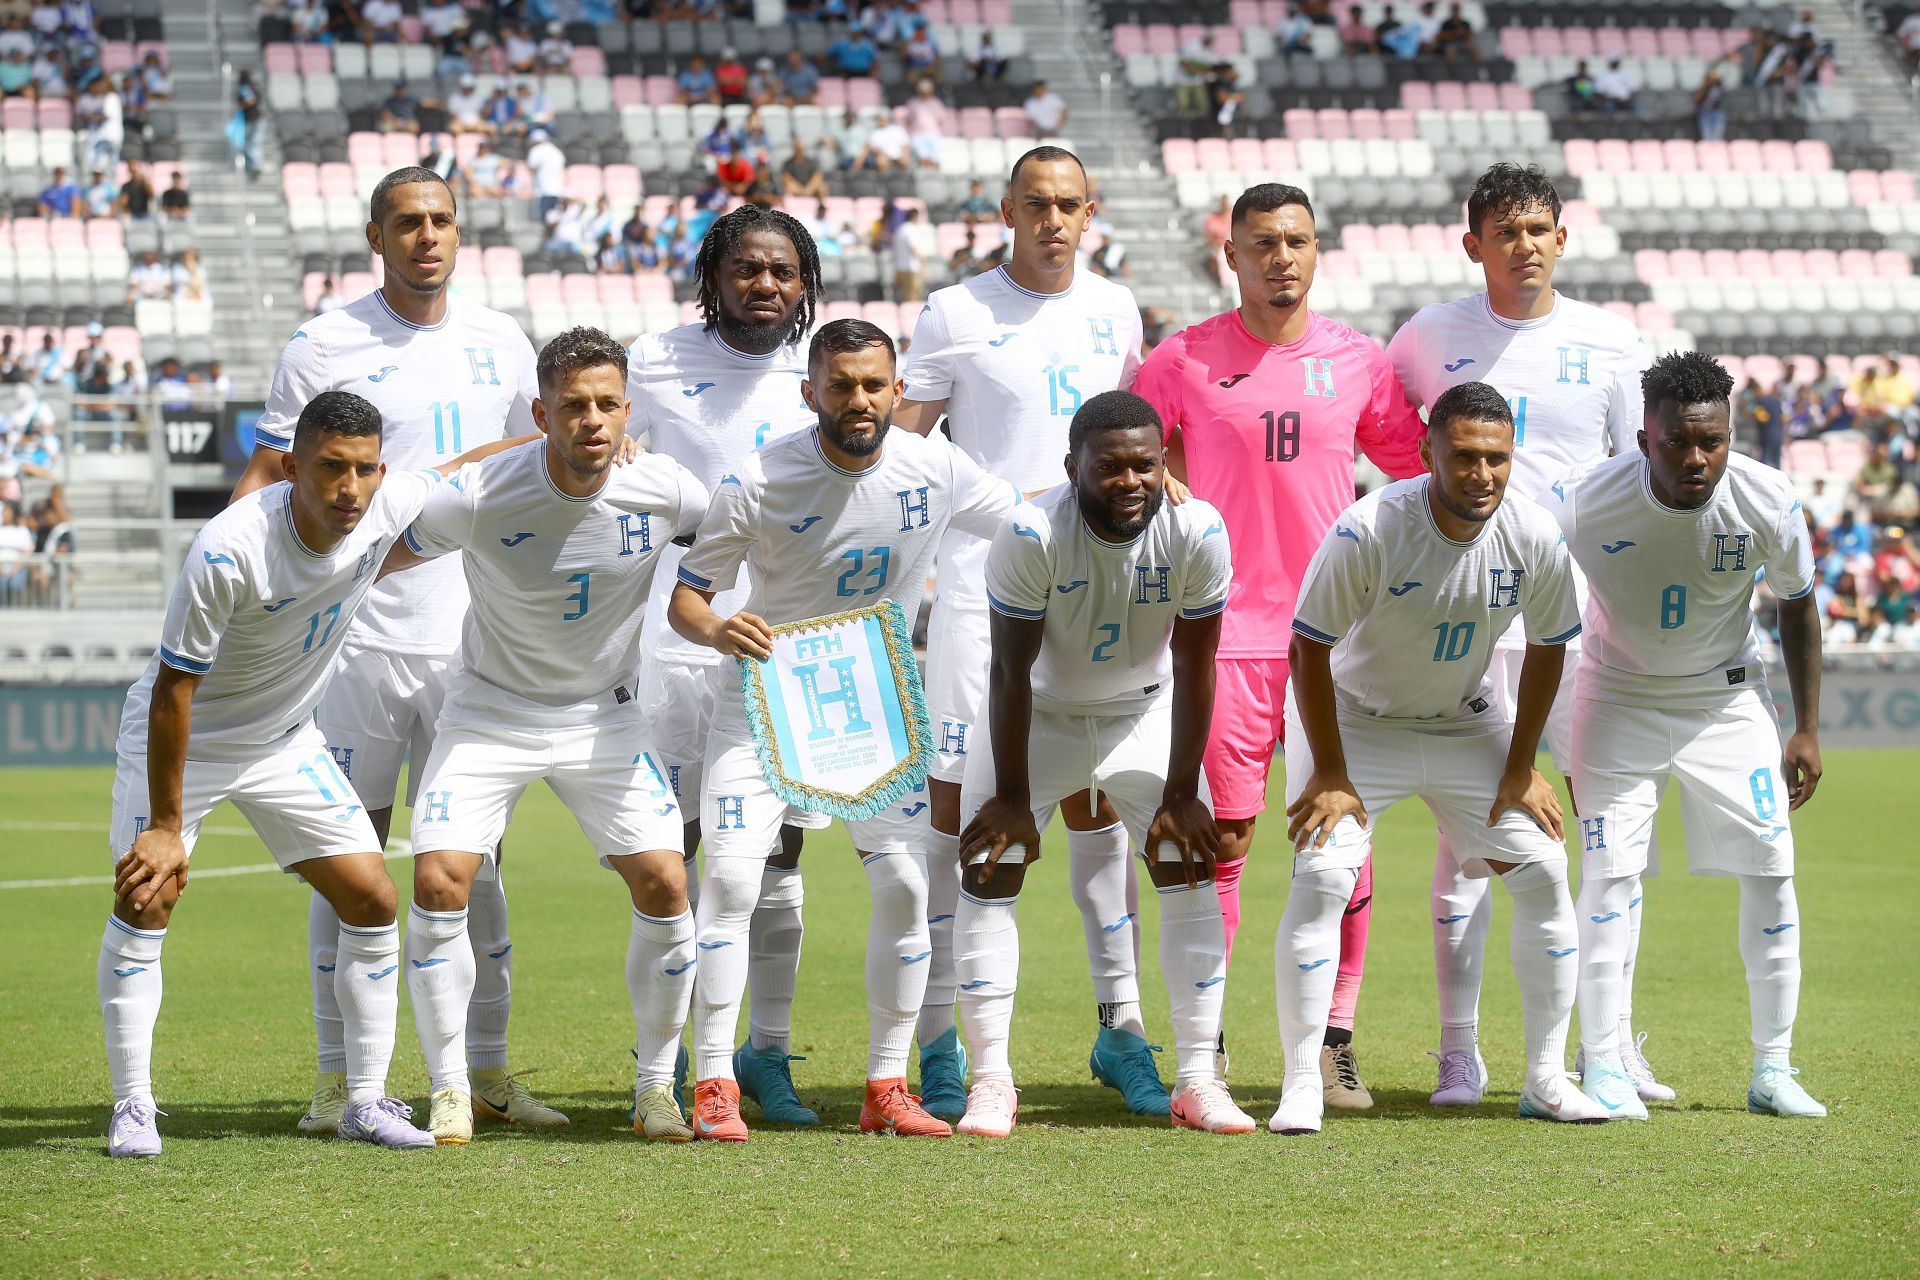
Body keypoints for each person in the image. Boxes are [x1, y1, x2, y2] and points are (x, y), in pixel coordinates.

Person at [97, 390, 523, 1158]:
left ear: (380, 469)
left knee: (371, 898)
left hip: (285, 742)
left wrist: (556, 440)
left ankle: (363, 1101)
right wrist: (164, 827)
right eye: (330, 468)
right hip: (189, 740)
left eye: (363, 470)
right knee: (147, 896)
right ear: (291, 467)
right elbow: (172, 690)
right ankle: (133, 1106)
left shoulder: (386, 501)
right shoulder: (230, 549)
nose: (348, 488)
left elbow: (466, 469)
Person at [228, 166, 559, 1139]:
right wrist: (231, 589)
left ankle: (486, 1071)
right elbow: (268, 473)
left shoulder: (502, 341)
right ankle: (339, 1082)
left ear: (463, 233)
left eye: (442, 220)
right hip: (353, 644)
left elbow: (538, 460)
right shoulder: (325, 343)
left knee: (477, 867)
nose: (427, 236)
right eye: (408, 222)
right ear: (375, 234)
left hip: (472, 640)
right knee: (350, 862)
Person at [667, 318, 1018, 1142]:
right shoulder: (756, 479)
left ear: (899, 391)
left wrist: (1132, 488)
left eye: (873, 385)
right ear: (809, 393)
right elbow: (689, 597)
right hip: (762, 701)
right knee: (730, 882)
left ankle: (885, 1085)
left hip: (876, 706)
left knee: (903, 886)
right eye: (840, 385)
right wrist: (719, 630)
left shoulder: (935, 464)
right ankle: (715, 1079)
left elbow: (1030, 521)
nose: (857, 401)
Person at [1132, 183, 1426, 1106]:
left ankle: (1335, 1041)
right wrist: (1168, 485)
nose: (1281, 258)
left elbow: (1420, 470)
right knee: (1221, 837)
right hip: (1220, 639)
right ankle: (1206, 1042)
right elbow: (1131, 455)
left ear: (1316, 250)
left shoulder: (1361, 360)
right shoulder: (1181, 359)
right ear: (1233, 256)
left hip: (1335, 644)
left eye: (1296, 241)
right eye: (1262, 243)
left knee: (1343, 845)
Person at [379, 328, 708, 1144]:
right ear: (541, 413)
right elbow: (379, 557)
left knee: (667, 883)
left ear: (628, 411)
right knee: (439, 881)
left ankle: (655, 1089)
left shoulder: (665, 488)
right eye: (572, 407)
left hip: (607, 714)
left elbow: (741, 541)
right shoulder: (483, 492)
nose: (591, 420)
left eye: (606, 405)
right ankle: (452, 1087)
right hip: (490, 712)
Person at [1385, 162, 1657, 1107]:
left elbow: (1638, 477)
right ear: (1475, 245)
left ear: (1562, 238)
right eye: (1505, 232)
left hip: (1585, 622)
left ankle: (1609, 1044)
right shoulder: (1429, 338)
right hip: (1465, 622)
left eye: (1539, 228)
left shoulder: (1613, 343)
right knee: (1472, 842)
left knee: (1605, 830)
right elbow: (1393, 448)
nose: (1525, 245)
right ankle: (1459, 1049)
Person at [1272, 382, 1605, 1135]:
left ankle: (1545, 1080)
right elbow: (1308, 646)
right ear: (1427, 453)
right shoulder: (1370, 529)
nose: (1481, 473)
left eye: (1497, 457)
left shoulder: (1534, 534)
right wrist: (1328, 770)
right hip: (1357, 724)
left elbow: (1552, 645)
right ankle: (1299, 1083)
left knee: (1546, 874)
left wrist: (1521, 768)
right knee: (1324, 877)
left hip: (1464, 723)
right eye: (1464, 456)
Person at [894, 147, 1151, 1120]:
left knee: (1099, 810)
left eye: (1068, 205)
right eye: (1034, 204)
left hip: (1095, 595)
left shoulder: (1115, 309)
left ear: (1092, 210)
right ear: (1005, 208)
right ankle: (942, 1040)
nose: (1052, 220)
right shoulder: (956, 313)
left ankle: (1121, 1026)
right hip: (977, 597)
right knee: (960, 813)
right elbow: (909, 456)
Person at [952, 389, 1256, 1138]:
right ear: (1072, 468)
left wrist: (1183, 790)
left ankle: (1196, 1080)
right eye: (1110, 468)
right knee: (994, 862)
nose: (1131, 483)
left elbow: (1198, 662)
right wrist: (1015, 797)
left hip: (1144, 712)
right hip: (1042, 714)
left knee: (1189, 862)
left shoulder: (1197, 528)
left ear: (1163, 464)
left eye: (1146, 467)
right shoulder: (1029, 531)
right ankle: (991, 1081)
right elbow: (1008, 672)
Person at [1545, 351, 1827, 1120]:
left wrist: (1805, 727)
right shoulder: (1582, 501)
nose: (1697, 458)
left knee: (1772, 871)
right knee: (1610, 877)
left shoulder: (1768, 498)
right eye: (1678, 443)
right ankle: (1602, 1064)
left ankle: (1774, 1068)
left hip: (1727, 703)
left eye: (1714, 441)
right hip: (1616, 700)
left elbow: (1798, 605)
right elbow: (1522, 593)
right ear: (1644, 440)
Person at [625, 204, 833, 1127]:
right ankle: (663, 1065)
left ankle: (767, 1053)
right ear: (713, 276)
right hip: (675, 644)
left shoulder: (825, 367)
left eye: (783, 273)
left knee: (780, 856)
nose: (766, 287)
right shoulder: (651, 361)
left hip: (790, 646)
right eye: (748, 269)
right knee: (674, 859)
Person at [891, 206, 925, 301]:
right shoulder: (911, 230)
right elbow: (914, 248)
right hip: (911, 269)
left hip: (899, 268)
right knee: (912, 299)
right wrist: (924, 266)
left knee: (902, 299)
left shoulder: (900, 230)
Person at [232, 70, 262, 175]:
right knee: (252, 143)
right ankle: (253, 165)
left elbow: (251, 100)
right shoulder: (252, 87)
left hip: (251, 119)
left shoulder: (245, 88)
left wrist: (243, 104)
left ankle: (253, 166)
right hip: (253, 119)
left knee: (251, 143)